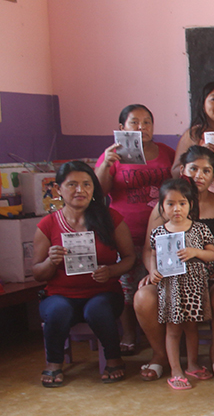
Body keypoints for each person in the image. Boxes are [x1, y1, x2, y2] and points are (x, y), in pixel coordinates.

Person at [135, 146, 214, 381]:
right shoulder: (163, 208)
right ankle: (160, 355)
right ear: (182, 169)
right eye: (193, 169)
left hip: (212, 278)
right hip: (170, 280)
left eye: (206, 170)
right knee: (143, 297)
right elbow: (149, 248)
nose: (199, 176)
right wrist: (152, 271)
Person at [32, 161, 136, 387]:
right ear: (58, 189)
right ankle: (54, 363)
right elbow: (37, 273)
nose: (80, 190)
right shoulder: (48, 224)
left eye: (87, 184)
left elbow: (130, 258)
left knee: (97, 309)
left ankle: (114, 358)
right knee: (58, 310)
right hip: (60, 294)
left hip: (103, 292)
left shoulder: (110, 218)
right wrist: (51, 261)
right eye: (72, 184)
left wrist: (111, 271)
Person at [95, 103, 176, 355]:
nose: (142, 127)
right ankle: (129, 333)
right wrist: (106, 164)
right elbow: (99, 192)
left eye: (147, 122)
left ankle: (165, 336)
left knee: (160, 282)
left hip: (163, 232)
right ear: (122, 127)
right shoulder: (113, 155)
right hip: (125, 231)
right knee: (127, 286)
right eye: (135, 122)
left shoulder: (166, 152)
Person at [147, 179, 214, 390]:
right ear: (162, 207)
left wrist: (195, 252)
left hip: (194, 286)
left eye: (182, 203)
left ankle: (193, 364)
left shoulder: (200, 228)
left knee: (192, 328)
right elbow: (153, 255)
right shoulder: (159, 232)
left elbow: (212, 255)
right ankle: (175, 370)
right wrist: (152, 271)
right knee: (173, 330)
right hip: (171, 287)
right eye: (170, 203)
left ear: (190, 205)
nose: (176, 208)